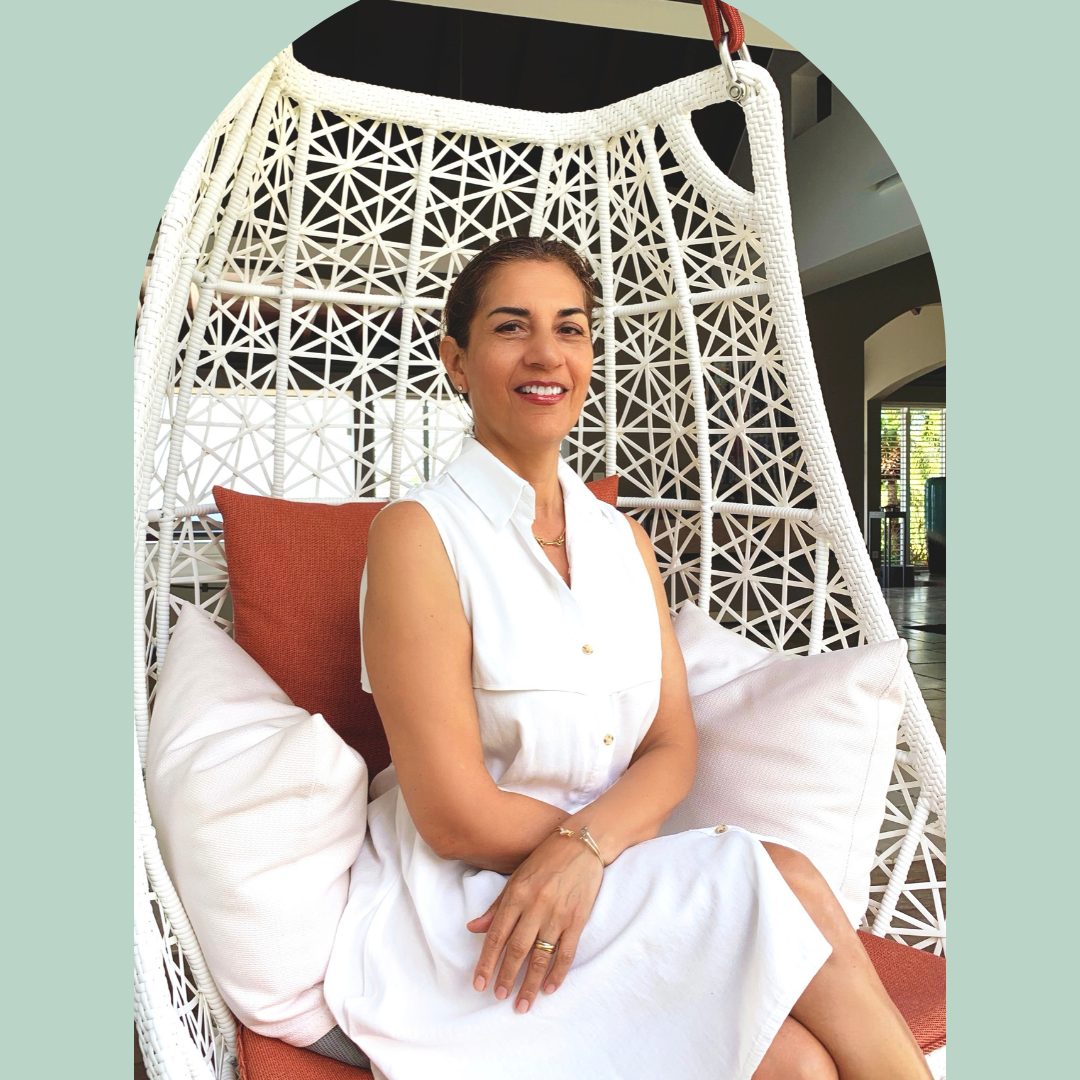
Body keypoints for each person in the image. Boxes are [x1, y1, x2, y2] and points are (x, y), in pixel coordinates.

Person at [321, 236, 932, 1080]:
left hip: (608, 878)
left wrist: (592, 852)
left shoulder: (623, 542)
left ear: (590, 355)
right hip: (469, 913)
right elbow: (453, 813)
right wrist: (602, 856)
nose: (546, 354)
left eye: (569, 329)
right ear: (456, 362)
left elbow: (671, 746)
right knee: (780, 877)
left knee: (798, 1069)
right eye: (511, 328)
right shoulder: (418, 536)